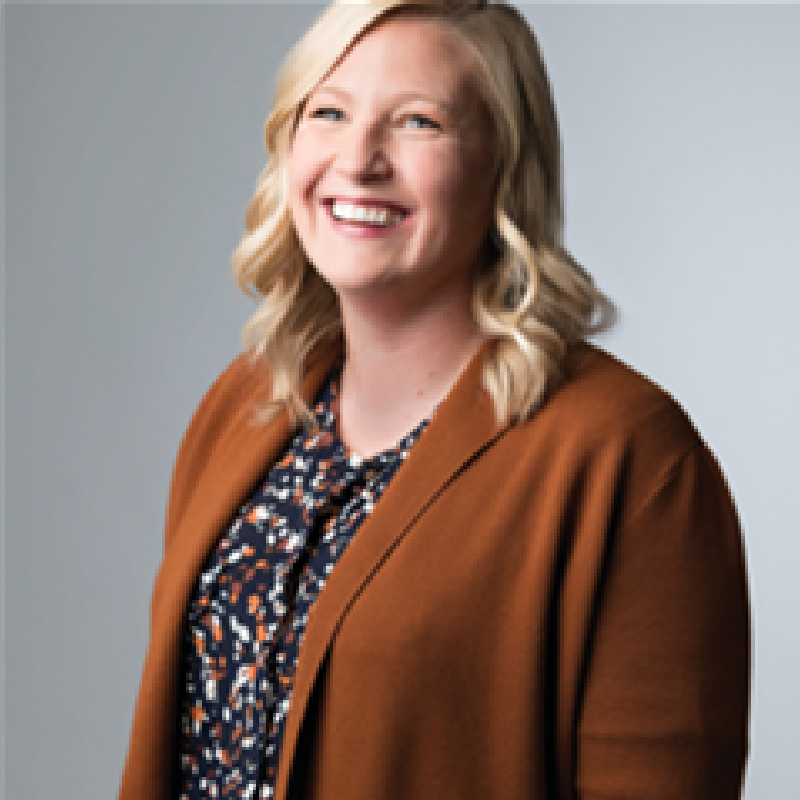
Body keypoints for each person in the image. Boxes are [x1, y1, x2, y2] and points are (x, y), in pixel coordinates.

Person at [118, 1, 750, 798]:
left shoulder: (627, 458)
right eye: (329, 112)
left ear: (504, 167)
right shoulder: (245, 406)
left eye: (418, 123)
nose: (358, 159)